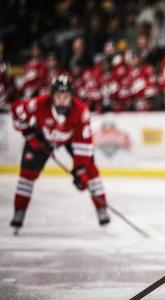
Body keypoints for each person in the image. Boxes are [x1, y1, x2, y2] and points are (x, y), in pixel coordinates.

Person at [9, 75, 110, 232]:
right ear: (52, 96)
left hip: (69, 139)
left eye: (66, 96)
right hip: (42, 138)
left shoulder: (81, 111)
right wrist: (30, 135)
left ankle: (101, 207)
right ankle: (19, 211)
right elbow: (15, 110)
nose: (62, 100)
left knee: (91, 171)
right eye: (58, 96)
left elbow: (83, 144)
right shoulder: (39, 103)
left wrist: (81, 170)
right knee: (27, 175)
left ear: (72, 96)